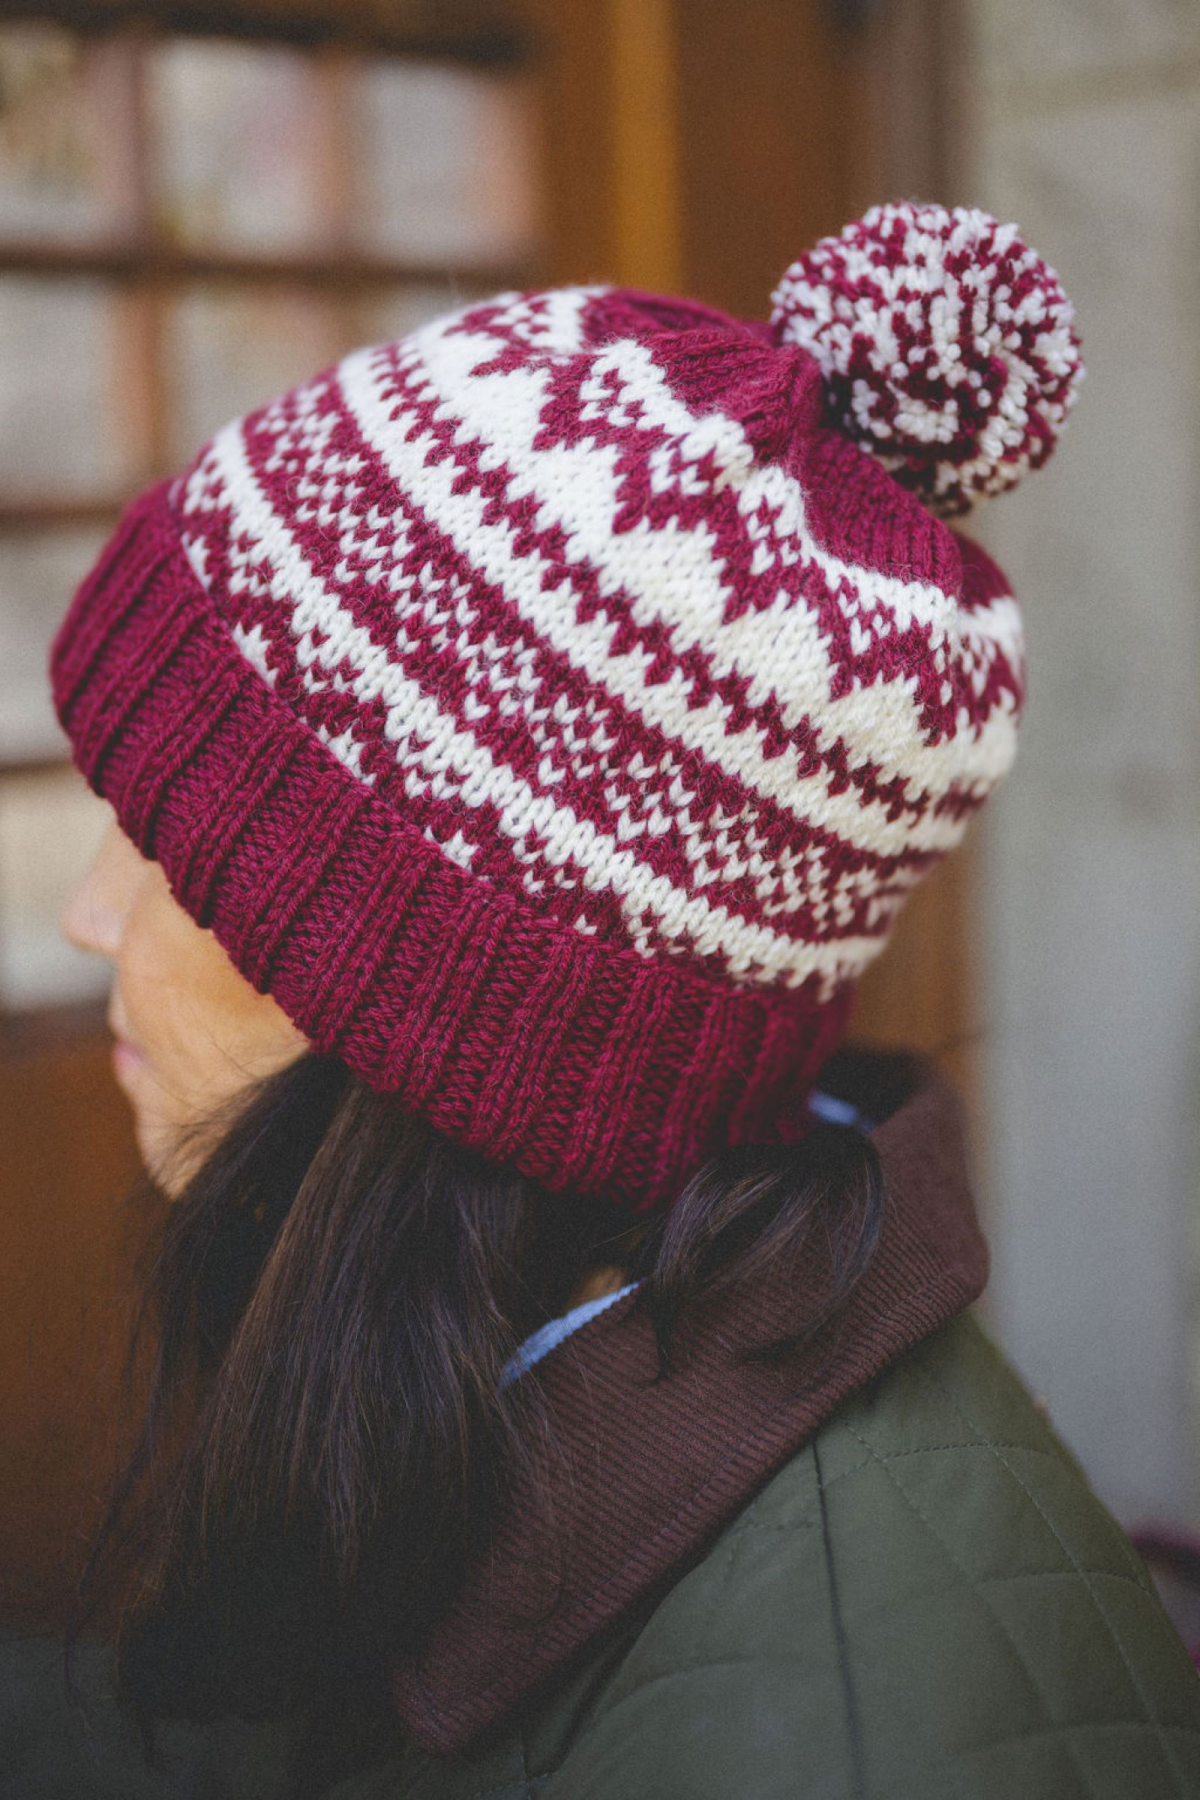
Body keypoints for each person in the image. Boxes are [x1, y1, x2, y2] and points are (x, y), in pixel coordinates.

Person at [5, 200, 1199, 1799]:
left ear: (458, 1011)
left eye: (177, 851)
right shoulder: (509, 1364)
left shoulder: (832, 1747)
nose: (90, 916)